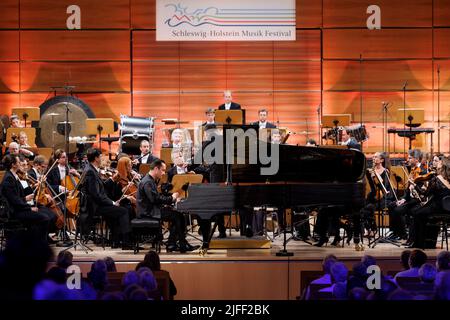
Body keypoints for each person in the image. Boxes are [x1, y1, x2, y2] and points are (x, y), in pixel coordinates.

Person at [136, 159, 198, 253]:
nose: (164, 173)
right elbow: (155, 199)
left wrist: (170, 198)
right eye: (163, 170)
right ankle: (179, 244)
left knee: (179, 215)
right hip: (149, 211)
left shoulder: (150, 180)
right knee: (178, 216)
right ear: (156, 169)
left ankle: (173, 243)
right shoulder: (147, 182)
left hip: (152, 208)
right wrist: (171, 198)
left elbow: (156, 198)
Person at [81, 148, 131, 249]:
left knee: (117, 212)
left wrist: (112, 179)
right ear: (96, 158)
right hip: (95, 207)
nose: (101, 158)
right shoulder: (90, 171)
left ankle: (115, 241)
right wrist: (112, 203)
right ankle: (126, 242)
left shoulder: (91, 169)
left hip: (97, 204)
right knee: (123, 211)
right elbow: (96, 195)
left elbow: (101, 187)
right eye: (100, 157)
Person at [0, 154, 53, 243]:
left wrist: (34, 188)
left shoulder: (13, 176)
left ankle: (34, 241)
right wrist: (29, 208)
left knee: (46, 215)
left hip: (19, 209)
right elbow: (14, 201)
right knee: (44, 218)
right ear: (13, 165)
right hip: (13, 213)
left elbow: (21, 194)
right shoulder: (9, 179)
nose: (20, 164)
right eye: (18, 162)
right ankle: (38, 244)